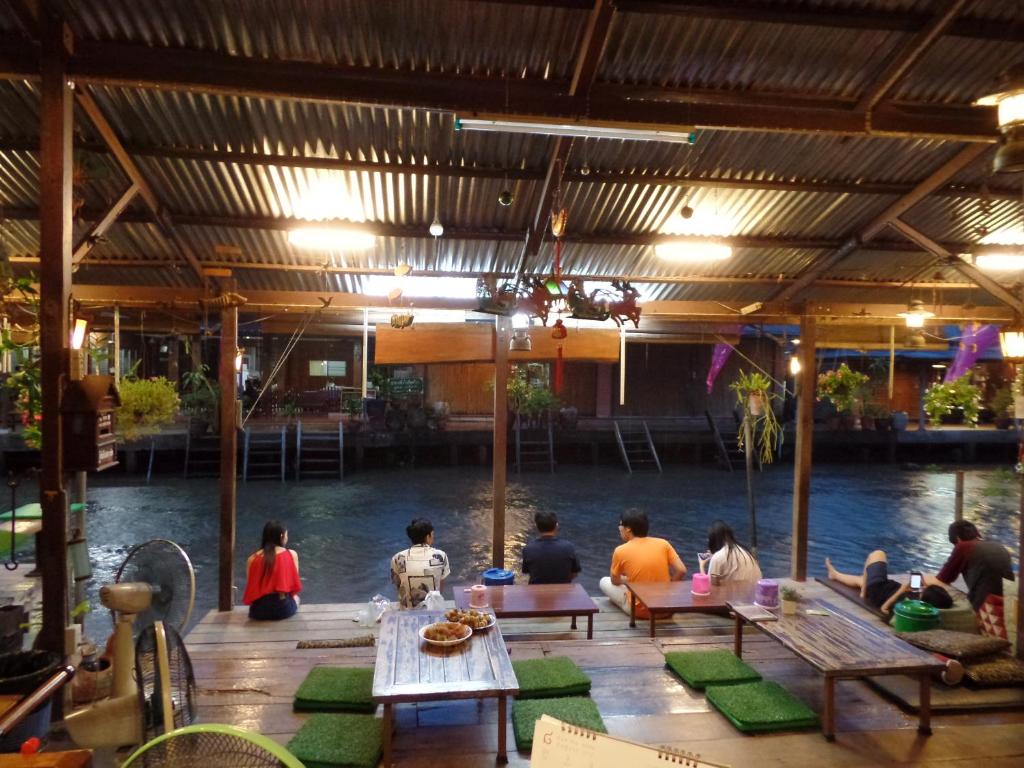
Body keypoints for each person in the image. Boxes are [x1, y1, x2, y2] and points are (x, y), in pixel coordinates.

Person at [599, 509, 686, 617]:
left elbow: (615, 581)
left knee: (603, 581)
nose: (618, 528)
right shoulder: (663, 543)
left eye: (620, 524)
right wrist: (668, 586)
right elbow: (681, 570)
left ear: (628, 529)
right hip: (665, 609)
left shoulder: (620, 550)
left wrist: (627, 580)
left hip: (640, 611)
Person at [825, 551, 952, 615]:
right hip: (885, 586)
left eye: (924, 591)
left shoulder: (909, 606)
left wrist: (901, 590)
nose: (923, 590)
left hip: (877, 588)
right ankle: (835, 574)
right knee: (860, 580)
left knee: (877, 554)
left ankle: (864, 591)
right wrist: (921, 586)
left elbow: (884, 608)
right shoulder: (919, 601)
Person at [935, 521, 1014, 611]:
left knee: (933, 588)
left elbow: (943, 579)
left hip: (984, 609)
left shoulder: (963, 546)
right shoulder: (999, 547)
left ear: (957, 538)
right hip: (1008, 605)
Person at [242, 520, 302, 621]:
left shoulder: (252, 559)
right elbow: (293, 585)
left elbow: (251, 585)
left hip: (258, 612)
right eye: (287, 535)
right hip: (282, 609)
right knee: (296, 599)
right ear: (282, 536)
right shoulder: (291, 554)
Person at [390, 518, 451, 609]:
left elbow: (398, 585)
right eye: (432, 535)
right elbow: (440, 587)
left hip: (407, 613)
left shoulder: (398, 558)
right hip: (433, 611)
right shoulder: (440, 556)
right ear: (428, 537)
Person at [521, 511, 581, 585]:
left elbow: (527, 571)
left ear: (536, 526)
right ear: (556, 526)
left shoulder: (528, 549)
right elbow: (575, 573)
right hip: (562, 591)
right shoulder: (569, 547)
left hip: (537, 593)